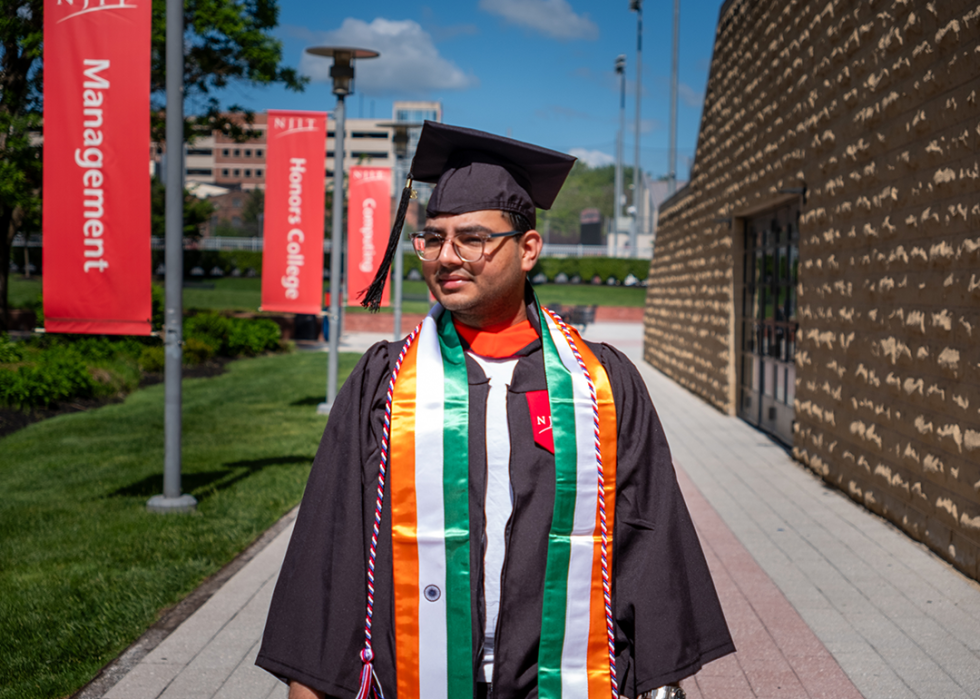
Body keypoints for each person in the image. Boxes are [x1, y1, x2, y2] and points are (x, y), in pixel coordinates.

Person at [256, 122, 734, 699]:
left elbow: (648, 531)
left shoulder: (600, 382)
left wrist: (662, 680)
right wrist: (308, 683)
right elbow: (335, 534)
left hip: (562, 675)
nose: (446, 258)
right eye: (432, 239)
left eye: (473, 238)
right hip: (410, 669)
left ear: (527, 249)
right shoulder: (383, 381)